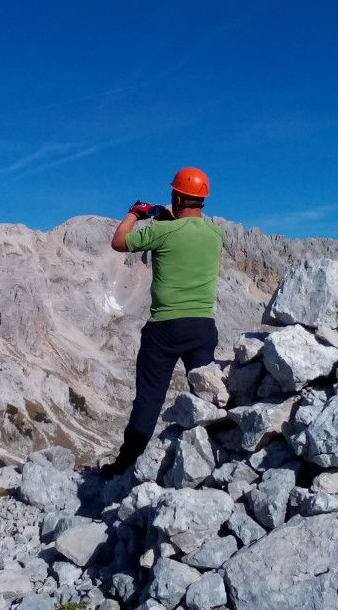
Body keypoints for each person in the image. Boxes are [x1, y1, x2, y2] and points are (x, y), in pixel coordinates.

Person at [100, 167, 224, 478]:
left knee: (149, 399)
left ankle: (126, 466)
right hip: (203, 327)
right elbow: (186, 232)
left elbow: (118, 241)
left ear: (178, 196)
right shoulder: (216, 236)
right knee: (205, 397)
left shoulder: (162, 232)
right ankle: (213, 462)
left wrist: (135, 213)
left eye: (173, 195)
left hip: (165, 327)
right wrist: (170, 218)